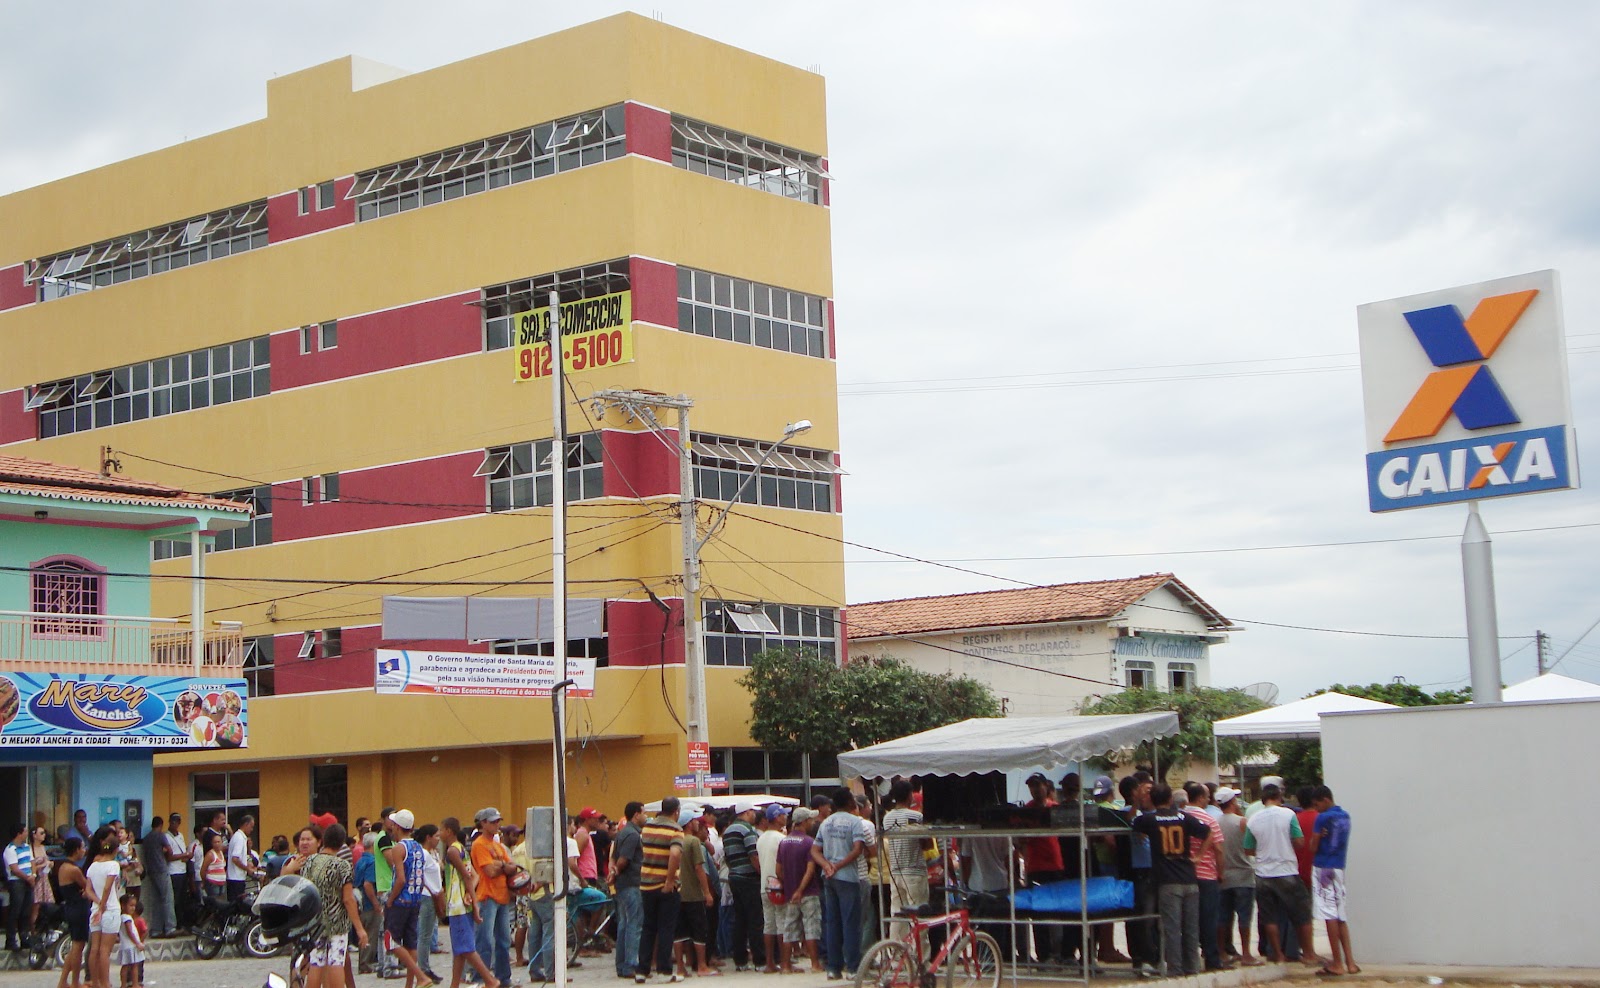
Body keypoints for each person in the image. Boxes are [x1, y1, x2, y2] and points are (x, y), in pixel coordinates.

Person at [1132, 784, 1215, 977]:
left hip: (1167, 881)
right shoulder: (1184, 817)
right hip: (1189, 877)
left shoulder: (1149, 819)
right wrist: (1198, 857)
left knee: (1172, 928)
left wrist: (1138, 801)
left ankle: (1176, 969)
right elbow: (1208, 833)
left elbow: (1135, 826)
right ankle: (1192, 968)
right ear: (1171, 799)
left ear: (1152, 800)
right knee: (1191, 928)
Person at [1244, 784, 1319, 966]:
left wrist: (1264, 851)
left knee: (1269, 917)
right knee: (1302, 914)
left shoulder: (1253, 819)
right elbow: (1299, 841)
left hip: (1263, 874)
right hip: (1287, 871)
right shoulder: (1288, 815)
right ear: (1279, 797)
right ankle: (1309, 954)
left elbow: (1248, 849)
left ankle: (1277, 954)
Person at [300, 824, 370, 988]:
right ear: (341, 843)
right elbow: (348, 899)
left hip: (315, 921)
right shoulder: (342, 865)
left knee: (316, 961)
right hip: (337, 921)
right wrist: (359, 928)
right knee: (336, 960)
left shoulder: (309, 862)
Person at [812, 788, 866, 980]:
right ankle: (853, 968)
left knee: (832, 923)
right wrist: (838, 865)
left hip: (829, 878)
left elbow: (815, 850)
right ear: (850, 802)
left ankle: (833, 968)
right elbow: (858, 849)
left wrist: (827, 865)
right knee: (851, 923)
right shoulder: (855, 822)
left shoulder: (826, 823)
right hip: (848, 878)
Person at [440, 817, 499, 988]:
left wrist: (473, 902)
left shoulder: (452, 851)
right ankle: (454, 984)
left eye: (441, 829)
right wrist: (470, 896)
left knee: (466, 948)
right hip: (461, 902)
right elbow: (475, 876)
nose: (439, 833)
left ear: (449, 831)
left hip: (456, 904)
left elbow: (467, 877)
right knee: (460, 948)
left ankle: (489, 980)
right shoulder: (461, 850)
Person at [383, 809, 435, 988]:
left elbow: (400, 879)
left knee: (390, 941)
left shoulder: (399, 848)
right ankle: (410, 984)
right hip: (415, 900)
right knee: (410, 943)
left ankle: (420, 977)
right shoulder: (419, 848)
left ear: (397, 827)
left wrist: (390, 899)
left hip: (400, 901)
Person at [1308, 786, 1357, 976]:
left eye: (1317, 804)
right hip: (1339, 866)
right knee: (1341, 915)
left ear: (1325, 800)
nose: (1316, 808)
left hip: (1323, 868)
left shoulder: (1322, 818)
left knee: (1329, 915)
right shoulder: (1345, 816)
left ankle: (1337, 962)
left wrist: (1318, 837)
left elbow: (1313, 846)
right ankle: (1350, 962)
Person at [635, 797, 685, 984]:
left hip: (646, 883)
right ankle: (664, 970)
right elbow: (674, 854)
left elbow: (644, 851)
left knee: (648, 927)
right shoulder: (675, 829)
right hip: (665, 886)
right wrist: (669, 881)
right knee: (666, 928)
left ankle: (642, 970)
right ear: (676, 811)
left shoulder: (647, 827)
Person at [1181, 782, 1228, 971]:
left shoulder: (1181, 816)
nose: (1209, 799)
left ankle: (1187, 959)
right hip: (1207, 875)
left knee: (1187, 920)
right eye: (1207, 795)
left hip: (1184, 874)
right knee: (1209, 919)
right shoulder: (1208, 819)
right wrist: (1221, 873)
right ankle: (1211, 959)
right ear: (1200, 798)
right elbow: (1218, 849)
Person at [1213, 787, 1261, 967]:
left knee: (1223, 917)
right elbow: (1251, 845)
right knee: (1244, 916)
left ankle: (1222, 952)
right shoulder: (1242, 822)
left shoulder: (1215, 822)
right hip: (1243, 874)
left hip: (1224, 875)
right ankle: (1247, 953)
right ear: (1232, 802)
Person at [470, 808, 516, 988]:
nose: (497, 824)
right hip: (486, 895)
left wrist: (501, 866)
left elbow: (513, 866)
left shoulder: (498, 846)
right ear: (483, 824)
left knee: (504, 940)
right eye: (493, 821)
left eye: (498, 821)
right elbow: (488, 871)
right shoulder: (479, 844)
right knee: (485, 941)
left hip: (502, 896)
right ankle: (480, 978)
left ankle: (503, 978)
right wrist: (504, 866)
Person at [774, 806, 822, 973]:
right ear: (804, 822)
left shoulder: (784, 842)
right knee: (811, 927)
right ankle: (815, 964)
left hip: (790, 893)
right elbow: (810, 869)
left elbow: (778, 870)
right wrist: (801, 888)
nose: (812, 822)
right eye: (810, 820)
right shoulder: (809, 842)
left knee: (789, 929)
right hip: (807, 892)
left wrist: (789, 884)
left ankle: (786, 965)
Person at [721, 800, 764, 971]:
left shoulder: (728, 831)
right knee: (755, 920)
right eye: (752, 812)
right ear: (746, 813)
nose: (754, 815)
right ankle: (759, 961)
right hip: (749, 878)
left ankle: (740, 960)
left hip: (734, 877)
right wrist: (761, 873)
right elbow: (754, 855)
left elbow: (727, 857)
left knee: (740, 921)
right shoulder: (747, 830)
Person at [673, 813, 716, 977]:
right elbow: (699, 868)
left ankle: (680, 967)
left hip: (677, 892)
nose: (698, 824)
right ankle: (702, 966)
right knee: (699, 930)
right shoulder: (693, 841)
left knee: (679, 932)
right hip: (693, 894)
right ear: (689, 824)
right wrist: (707, 892)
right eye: (695, 821)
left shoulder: (675, 840)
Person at [610, 802, 647, 980]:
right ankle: (631, 964)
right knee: (634, 924)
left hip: (622, 885)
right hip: (632, 883)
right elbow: (624, 859)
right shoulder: (633, 835)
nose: (645, 816)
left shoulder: (621, 833)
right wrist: (616, 871)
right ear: (636, 815)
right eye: (644, 813)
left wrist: (613, 873)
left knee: (624, 925)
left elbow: (613, 857)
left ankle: (621, 965)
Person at [86, 827, 123, 988]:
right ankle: (105, 983)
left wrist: (98, 905)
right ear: (115, 849)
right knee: (105, 950)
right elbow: (108, 888)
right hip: (110, 909)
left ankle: (95, 982)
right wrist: (104, 906)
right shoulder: (113, 865)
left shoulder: (93, 865)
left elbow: (88, 890)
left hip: (95, 910)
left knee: (94, 948)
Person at [756, 804, 788, 973]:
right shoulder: (780, 839)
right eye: (783, 815)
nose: (786, 817)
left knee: (768, 925)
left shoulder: (761, 838)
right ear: (777, 817)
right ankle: (784, 963)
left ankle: (769, 963)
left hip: (765, 885)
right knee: (782, 924)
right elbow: (782, 865)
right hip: (779, 885)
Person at [57, 837, 90, 988]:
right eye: (82, 848)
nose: (83, 851)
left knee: (75, 946)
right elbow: (86, 886)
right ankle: (76, 982)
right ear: (76, 849)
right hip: (79, 908)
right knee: (78, 947)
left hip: (70, 907)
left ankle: (63, 981)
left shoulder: (63, 867)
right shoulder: (74, 869)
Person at [135, 817, 172, 939]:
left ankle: (155, 929)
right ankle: (170, 927)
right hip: (161, 869)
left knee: (156, 901)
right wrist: (165, 851)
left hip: (151, 870)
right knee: (167, 899)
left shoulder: (146, 838)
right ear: (161, 825)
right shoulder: (160, 836)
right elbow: (170, 852)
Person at [6, 822, 35, 951]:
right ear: (19, 833)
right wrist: (27, 877)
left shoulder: (27, 847)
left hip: (29, 881)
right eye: (25, 831)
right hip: (17, 882)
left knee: (26, 912)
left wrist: (33, 874)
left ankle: (25, 938)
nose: (26, 834)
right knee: (15, 911)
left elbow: (32, 861)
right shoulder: (10, 849)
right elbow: (15, 869)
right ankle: (11, 940)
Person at [163, 813, 192, 931]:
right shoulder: (166, 837)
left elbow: (182, 852)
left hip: (182, 870)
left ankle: (181, 923)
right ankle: (173, 924)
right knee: (175, 899)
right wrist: (183, 855)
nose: (175, 824)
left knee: (182, 899)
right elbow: (169, 857)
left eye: (178, 821)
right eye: (173, 821)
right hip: (173, 871)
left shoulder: (180, 835)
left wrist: (185, 856)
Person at [226, 815, 262, 902]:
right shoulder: (239, 838)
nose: (252, 829)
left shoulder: (239, 837)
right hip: (236, 878)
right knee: (237, 904)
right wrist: (247, 868)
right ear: (246, 824)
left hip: (236, 878)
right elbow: (235, 858)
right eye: (251, 826)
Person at [114, 894, 144, 988]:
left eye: (134, 906)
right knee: (134, 966)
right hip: (131, 945)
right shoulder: (127, 918)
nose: (133, 908)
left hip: (125, 945)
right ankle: (135, 984)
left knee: (125, 966)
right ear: (123, 906)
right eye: (130, 906)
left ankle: (123, 984)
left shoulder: (122, 917)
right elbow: (130, 932)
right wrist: (137, 943)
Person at [201, 833, 227, 904]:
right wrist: (204, 881)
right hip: (213, 883)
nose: (217, 844)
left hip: (222, 883)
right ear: (212, 843)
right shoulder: (210, 854)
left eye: (219, 842)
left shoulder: (221, 853)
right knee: (215, 903)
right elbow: (203, 870)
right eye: (215, 842)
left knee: (222, 903)